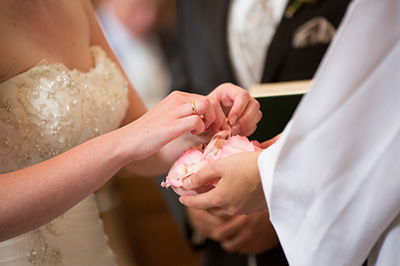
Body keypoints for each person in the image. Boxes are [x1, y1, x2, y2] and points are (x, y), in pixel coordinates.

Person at [0, 0, 261, 265]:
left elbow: (143, 150)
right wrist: (126, 142)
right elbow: (130, 140)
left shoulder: (76, 5)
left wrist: (202, 120)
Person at [179, 0, 400, 265]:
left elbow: (379, 105)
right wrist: (191, 195)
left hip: (337, 224)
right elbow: (177, 94)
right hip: (225, 250)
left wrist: (280, 193)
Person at [96, 0, 174, 109]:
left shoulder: (162, 38)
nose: (151, 18)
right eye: (141, 6)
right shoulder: (95, 41)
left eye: (157, 8)